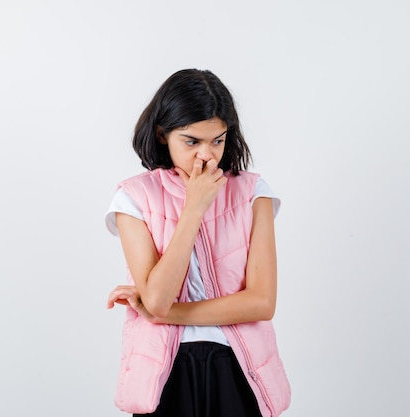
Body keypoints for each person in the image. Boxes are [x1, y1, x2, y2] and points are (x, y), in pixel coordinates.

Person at [105, 69, 290, 417]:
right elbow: (157, 297)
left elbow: (262, 303)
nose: (206, 156)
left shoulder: (253, 192)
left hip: (239, 369)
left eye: (217, 141)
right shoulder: (133, 198)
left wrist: (163, 314)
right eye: (192, 142)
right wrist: (194, 208)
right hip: (164, 373)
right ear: (163, 134)